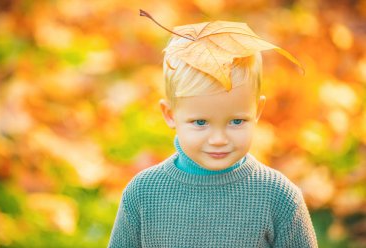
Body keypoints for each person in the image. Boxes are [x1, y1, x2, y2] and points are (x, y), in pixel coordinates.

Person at [108, 19, 318, 247]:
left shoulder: (279, 197)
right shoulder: (143, 194)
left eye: (236, 121)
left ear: (257, 111)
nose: (219, 140)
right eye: (200, 122)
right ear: (170, 114)